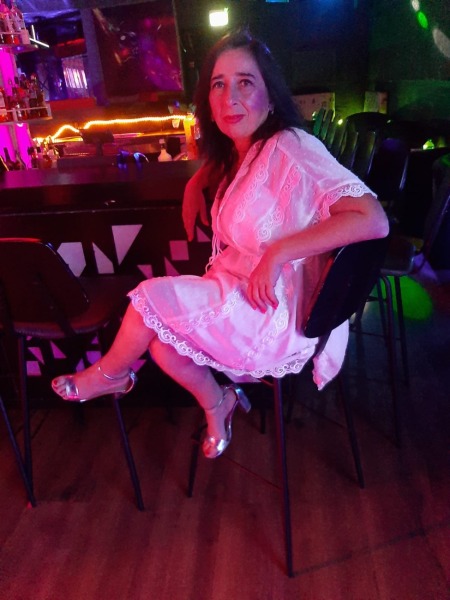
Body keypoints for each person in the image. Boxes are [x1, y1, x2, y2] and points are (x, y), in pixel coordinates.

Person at [52, 29, 389, 459]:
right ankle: (219, 404)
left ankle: (111, 374)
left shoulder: (293, 146)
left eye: (245, 82)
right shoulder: (246, 148)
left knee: (147, 300)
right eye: (218, 84)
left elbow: (373, 219)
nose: (230, 97)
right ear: (208, 102)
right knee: (161, 346)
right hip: (243, 290)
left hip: (274, 313)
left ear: (271, 96)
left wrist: (279, 252)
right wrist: (199, 179)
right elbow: (239, 162)